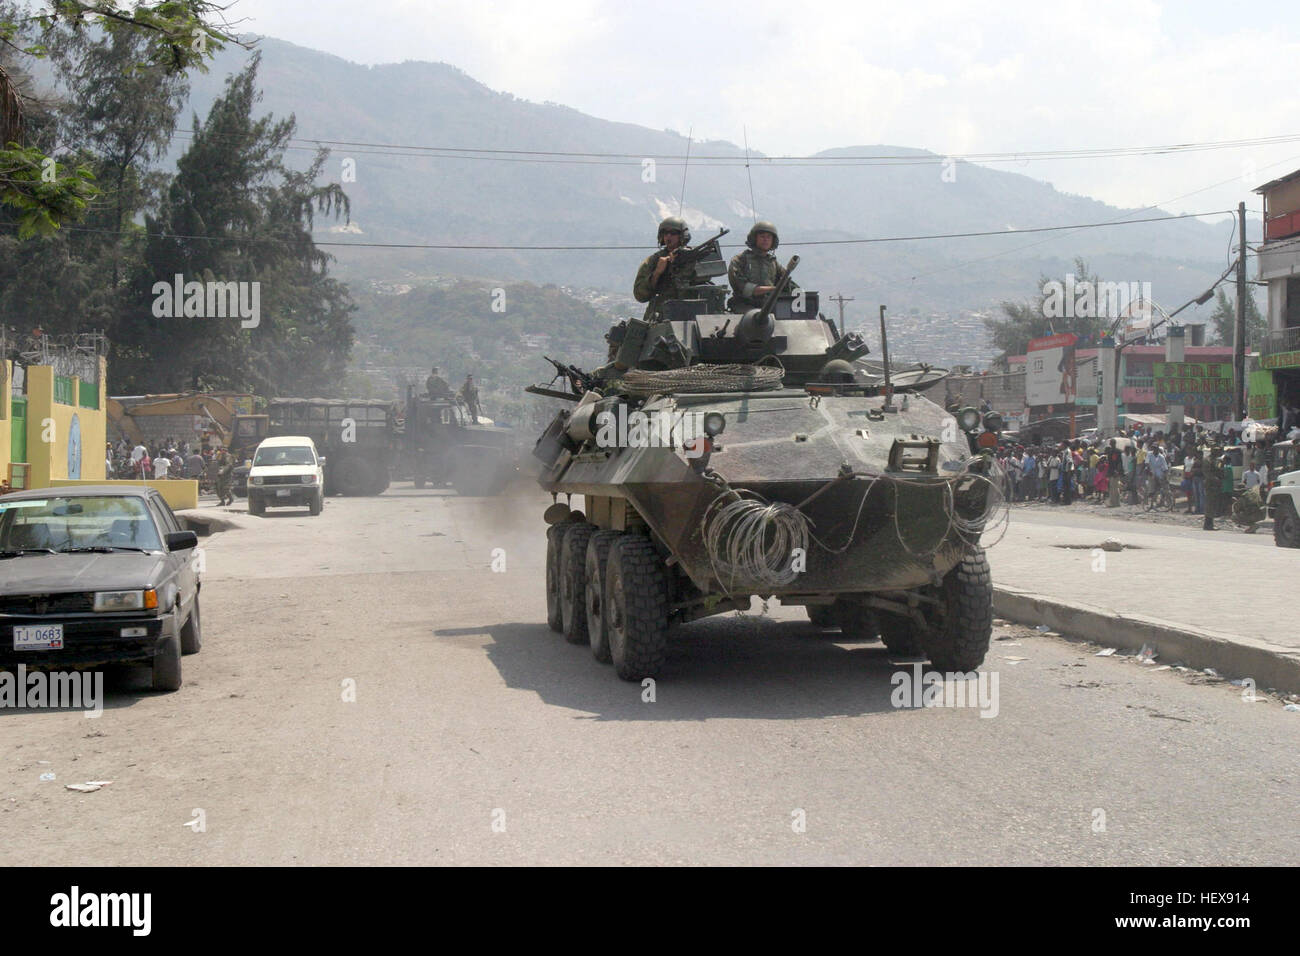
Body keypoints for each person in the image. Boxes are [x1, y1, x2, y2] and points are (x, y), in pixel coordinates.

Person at [634, 216, 712, 320]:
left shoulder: (695, 257)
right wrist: (657, 273)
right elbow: (640, 295)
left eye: (673, 233)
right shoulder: (653, 261)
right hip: (661, 317)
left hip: (691, 316)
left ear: (682, 236)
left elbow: (707, 282)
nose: (668, 236)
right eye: (665, 233)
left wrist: (688, 265)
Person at [727, 220, 798, 313]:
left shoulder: (773, 263)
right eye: (762, 236)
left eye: (769, 237)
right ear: (754, 238)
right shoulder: (740, 260)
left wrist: (798, 292)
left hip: (770, 306)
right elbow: (745, 289)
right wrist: (774, 289)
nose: (766, 240)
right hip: (744, 306)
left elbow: (787, 284)